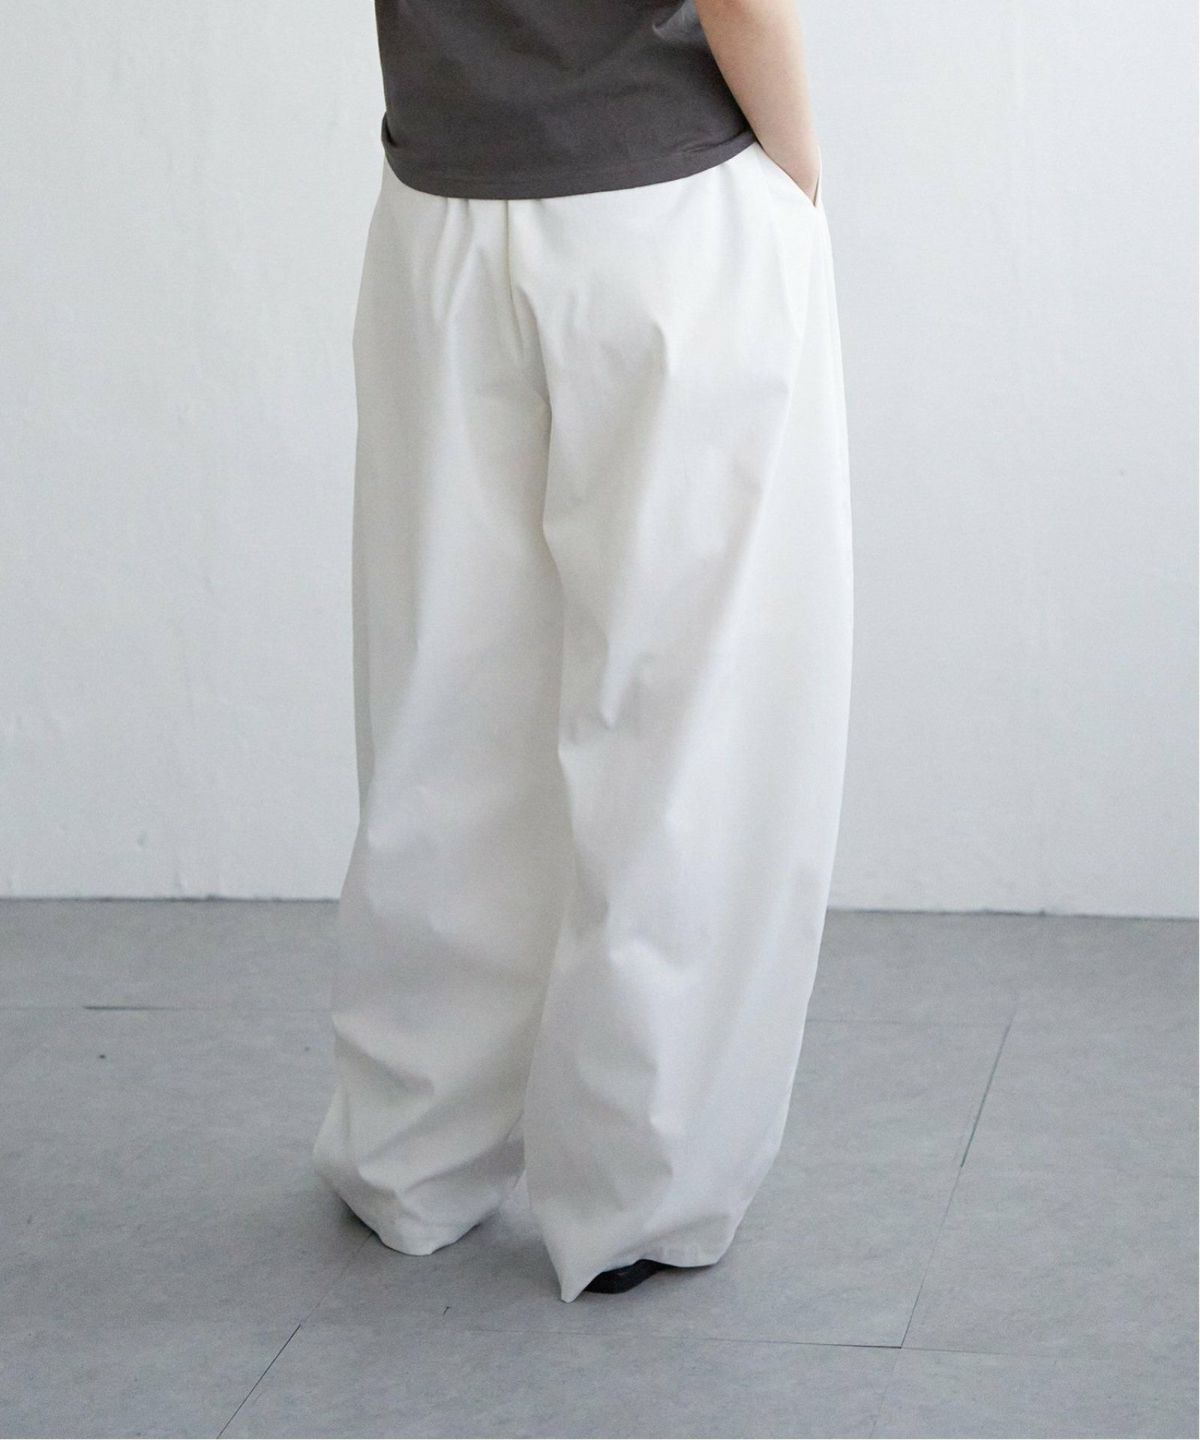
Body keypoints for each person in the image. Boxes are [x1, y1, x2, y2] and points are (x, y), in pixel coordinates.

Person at [312, 0, 854, 1303]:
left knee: (443, 701)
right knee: (683, 718)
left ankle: (411, 1152)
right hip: (668, 213)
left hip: (439, 201)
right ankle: (636, 1188)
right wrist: (801, 181)